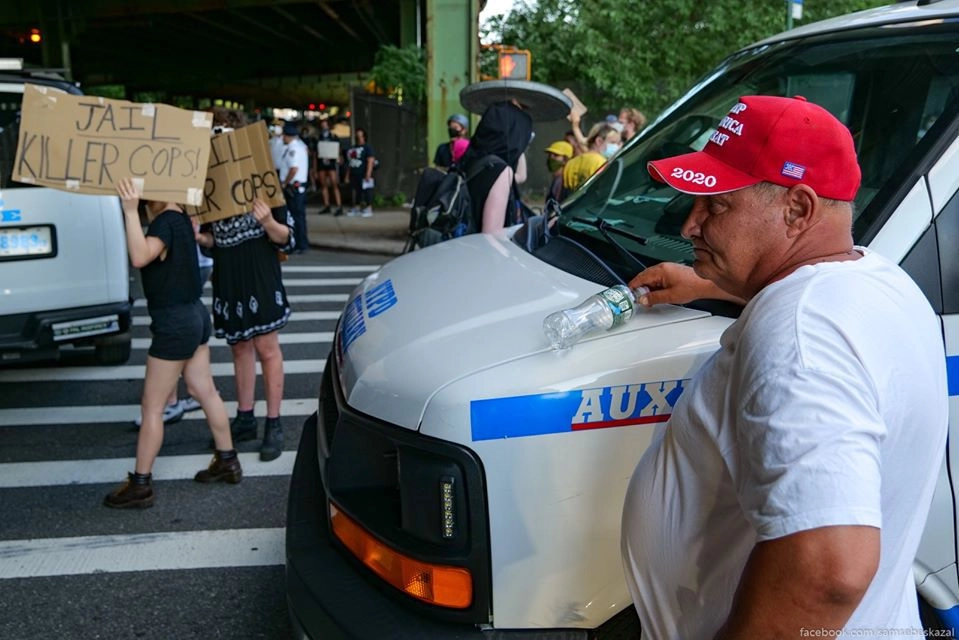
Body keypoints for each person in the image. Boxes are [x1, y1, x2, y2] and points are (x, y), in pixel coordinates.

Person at [620, 95, 948, 638]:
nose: (689, 226)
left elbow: (827, 570)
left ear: (797, 209)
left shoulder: (801, 336)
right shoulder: (872, 275)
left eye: (716, 206)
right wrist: (711, 283)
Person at [105, 178, 241, 509]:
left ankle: (140, 485)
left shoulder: (165, 221)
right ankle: (227, 461)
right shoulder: (179, 217)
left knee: (152, 407)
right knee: (204, 390)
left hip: (175, 323)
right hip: (194, 315)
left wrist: (128, 211)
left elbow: (139, 256)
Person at [196, 108, 295, 463]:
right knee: (239, 348)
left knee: (267, 348)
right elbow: (213, 239)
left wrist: (268, 220)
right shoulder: (207, 184)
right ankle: (245, 416)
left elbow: (287, 237)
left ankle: (274, 422)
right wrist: (202, 238)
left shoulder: (263, 181)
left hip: (260, 274)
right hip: (229, 277)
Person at [459, 99, 533, 233]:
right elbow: (491, 235)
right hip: (478, 251)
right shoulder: (501, 172)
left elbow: (520, 177)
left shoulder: (474, 161)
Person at [280, 122, 310, 253]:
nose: (282, 138)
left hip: (294, 187)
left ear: (288, 136)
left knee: (295, 217)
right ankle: (300, 243)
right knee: (298, 216)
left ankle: (299, 244)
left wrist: (285, 183)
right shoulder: (300, 146)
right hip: (297, 187)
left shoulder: (293, 149)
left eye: (284, 136)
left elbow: (293, 169)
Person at [562, 122, 613, 193]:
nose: (617, 146)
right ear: (599, 141)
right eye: (612, 142)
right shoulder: (602, 163)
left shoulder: (570, 163)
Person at [314, 117, 344, 215]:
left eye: (325, 124)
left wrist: (339, 157)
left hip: (331, 163)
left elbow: (338, 149)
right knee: (323, 184)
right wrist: (314, 169)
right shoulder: (318, 137)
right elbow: (315, 154)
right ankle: (327, 205)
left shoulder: (333, 136)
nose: (324, 126)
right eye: (322, 124)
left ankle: (339, 205)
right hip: (321, 163)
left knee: (334, 184)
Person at [344, 128, 376, 217]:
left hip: (364, 172)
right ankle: (357, 207)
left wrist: (368, 173)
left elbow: (370, 160)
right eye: (357, 135)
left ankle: (368, 207)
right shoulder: (353, 148)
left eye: (360, 136)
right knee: (357, 191)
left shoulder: (367, 147)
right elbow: (350, 162)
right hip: (354, 172)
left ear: (364, 137)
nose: (359, 137)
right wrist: (347, 175)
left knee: (367, 191)